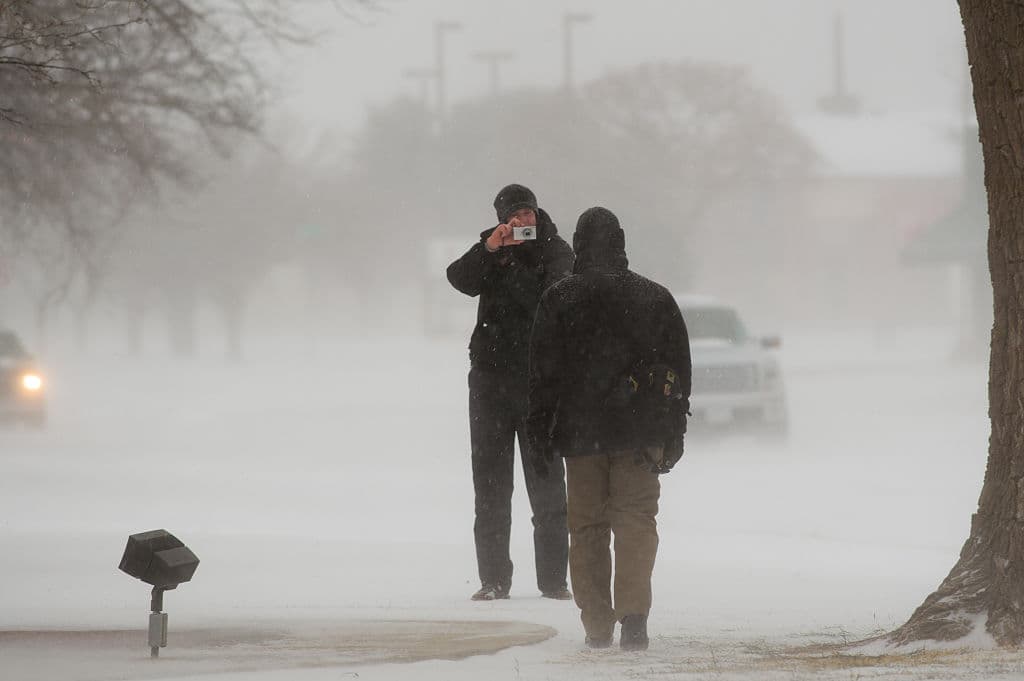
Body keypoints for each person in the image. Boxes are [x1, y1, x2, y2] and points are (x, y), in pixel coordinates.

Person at [526, 206, 691, 650]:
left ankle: (597, 624)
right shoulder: (655, 298)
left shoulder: (559, 299)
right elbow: (679, 372)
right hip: (641, 433)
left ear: (579, 244)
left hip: (581, 437)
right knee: (637, 521)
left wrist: (540, 431)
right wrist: (674, 429)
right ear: (621, 241)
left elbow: (543, 375)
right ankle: (634, 617)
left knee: (587, 528)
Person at [446, 183, 574, 601]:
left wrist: (509, 263)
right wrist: (490, 250)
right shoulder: (493, 248)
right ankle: (493, 579)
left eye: (528, 213)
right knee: (490, 487)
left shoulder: (556, 251)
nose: (524, 222)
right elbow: (458, 278)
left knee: (548, 487)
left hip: (540, 384)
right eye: (515, 215)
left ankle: (553, 580)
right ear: (503, 219)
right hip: (488, 383)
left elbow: (549, 299)